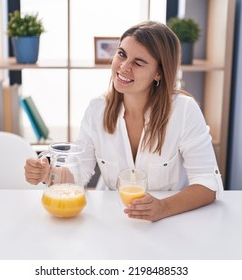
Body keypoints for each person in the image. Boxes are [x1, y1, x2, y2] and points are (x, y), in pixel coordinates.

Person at [24, 21, 223, 222]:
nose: (124, 67)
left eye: (138, 62)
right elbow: (79, 173)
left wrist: (163, 208)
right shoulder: (96, 110)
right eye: (121, 54)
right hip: (115, 220)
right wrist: (47, 174)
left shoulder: (185, 111)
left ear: (159, 73)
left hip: (171, 222)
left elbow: (208, 184)